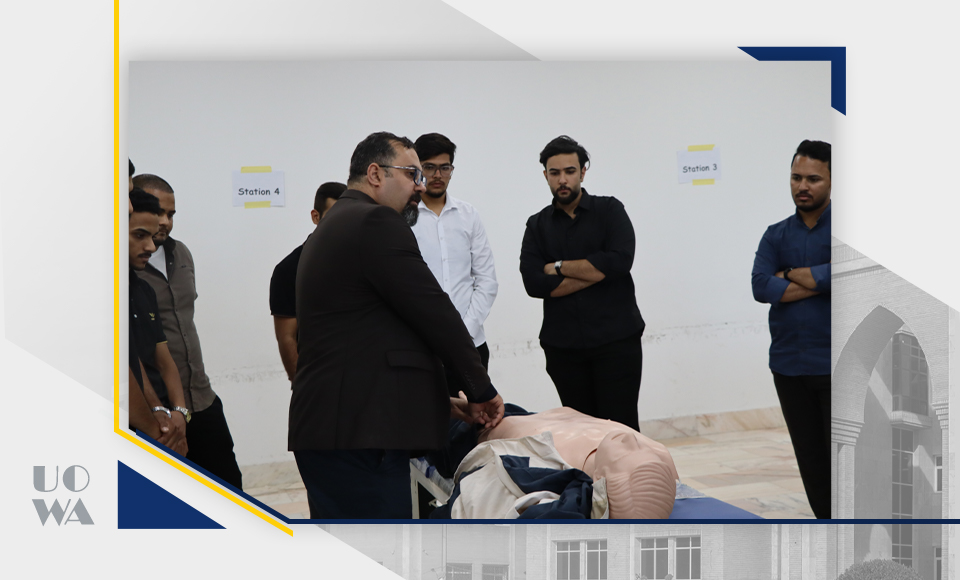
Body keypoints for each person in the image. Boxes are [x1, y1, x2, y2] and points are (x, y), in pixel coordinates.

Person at [288, 131, 504, 519]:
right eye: (412, 174)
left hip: (333, 430)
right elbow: (433, 311)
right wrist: (480, 389)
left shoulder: (337, 223)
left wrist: (444, 403)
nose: (421, 186)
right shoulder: (375, 222)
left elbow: (369, 341)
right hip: (360, 436)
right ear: (376, 174)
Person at [519, 135, 645, 431]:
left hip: (617, 342)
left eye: (570, 171)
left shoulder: (610, 210)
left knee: (621, 431)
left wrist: (558, 267)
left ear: (583, 172)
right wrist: (598, 271)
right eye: (555, 173)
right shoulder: (537, 225)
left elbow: (620, 262)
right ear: (546, 176)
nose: (562, 179)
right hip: (564, 349)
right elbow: (534, 284)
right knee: (581, 435)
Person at [132, 174, 243, 489]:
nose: (165, 222)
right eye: (159, 212)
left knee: (230, 488)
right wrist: (160, 409)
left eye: (171, 214)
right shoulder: (124, 268)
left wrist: (183, 407)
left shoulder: (181, 254)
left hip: (200, 398)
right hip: (155, 410)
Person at [751, 139, 831, 519]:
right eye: (796, 177)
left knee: (847, 459)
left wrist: (787, 275)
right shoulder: (775, 234)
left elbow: (852, 275)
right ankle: (827, 527)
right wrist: (821, 280)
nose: (803, 186)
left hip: (839, 364)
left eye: (813, 178)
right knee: (811, 459)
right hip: (788, 366)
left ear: (832, 179)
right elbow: (760, 286)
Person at [411, 133, 498, 394]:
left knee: (475, 416)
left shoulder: (468, 215)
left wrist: (464, 332)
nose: (438, 175)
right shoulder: (404, 217)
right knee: (427, 417)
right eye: (429, 167)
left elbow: (487, 281)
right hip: (422, 347)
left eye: (445, 167)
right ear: (417, 170)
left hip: (471, 347)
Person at [128, 188, 189, 456]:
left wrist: (179, 412)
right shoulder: (103, 294)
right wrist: (158, 421)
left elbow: (162, 357)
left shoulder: (144, 290)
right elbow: (126, 364)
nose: (151, 247)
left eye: (152, 238)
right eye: (139, 235)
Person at [269, 181, 346, 381]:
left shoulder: (363, 262)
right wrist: (301, 385)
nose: (341, 224)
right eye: (333, 217)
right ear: (315, 217)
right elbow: (287, 338)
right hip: (317, 381)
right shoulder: (288, 270)